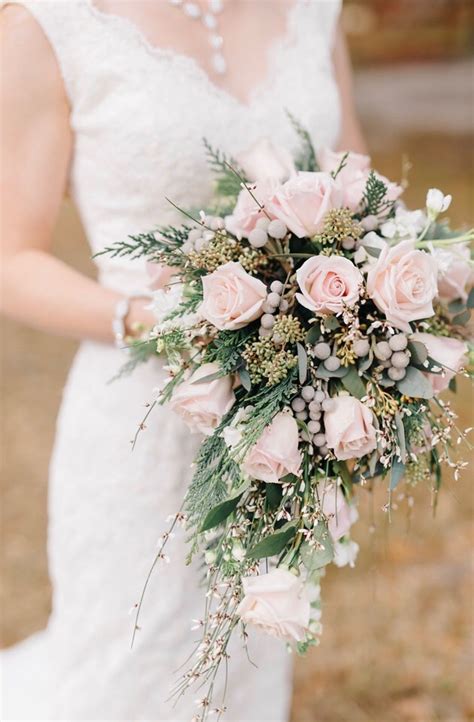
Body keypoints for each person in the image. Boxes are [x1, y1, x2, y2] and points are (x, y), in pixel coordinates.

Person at [0, 1, 366, 719]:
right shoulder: (52, 24)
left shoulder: (313, 10)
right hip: (140, 426)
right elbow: (10, 256)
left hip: (284, 419)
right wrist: (156, 320)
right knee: (130, 672)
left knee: (249, 660)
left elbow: (356, 190)